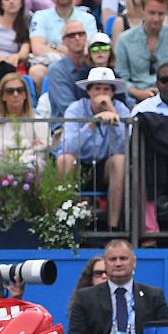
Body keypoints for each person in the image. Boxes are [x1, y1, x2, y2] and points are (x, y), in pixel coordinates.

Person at [57, 68, 132, 231]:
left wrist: (113, 116)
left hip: (104, 167)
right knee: (65, 159)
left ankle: (113, 227)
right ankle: (66, 226)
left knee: (120, 161)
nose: (102, 94)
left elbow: (126, 147)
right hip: (79, 165)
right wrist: (92, 123)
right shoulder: (75, 109)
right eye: (97, 89)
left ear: (113, 93)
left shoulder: (121, 109)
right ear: (88, 92)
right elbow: (68, 147)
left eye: (106, 89)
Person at [66, 238, 168, 334]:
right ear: (105, 264)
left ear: (134, 262)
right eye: (113, 259)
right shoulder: (85, 297)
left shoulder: (154, 296)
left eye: (123, 258)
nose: (118, 263)